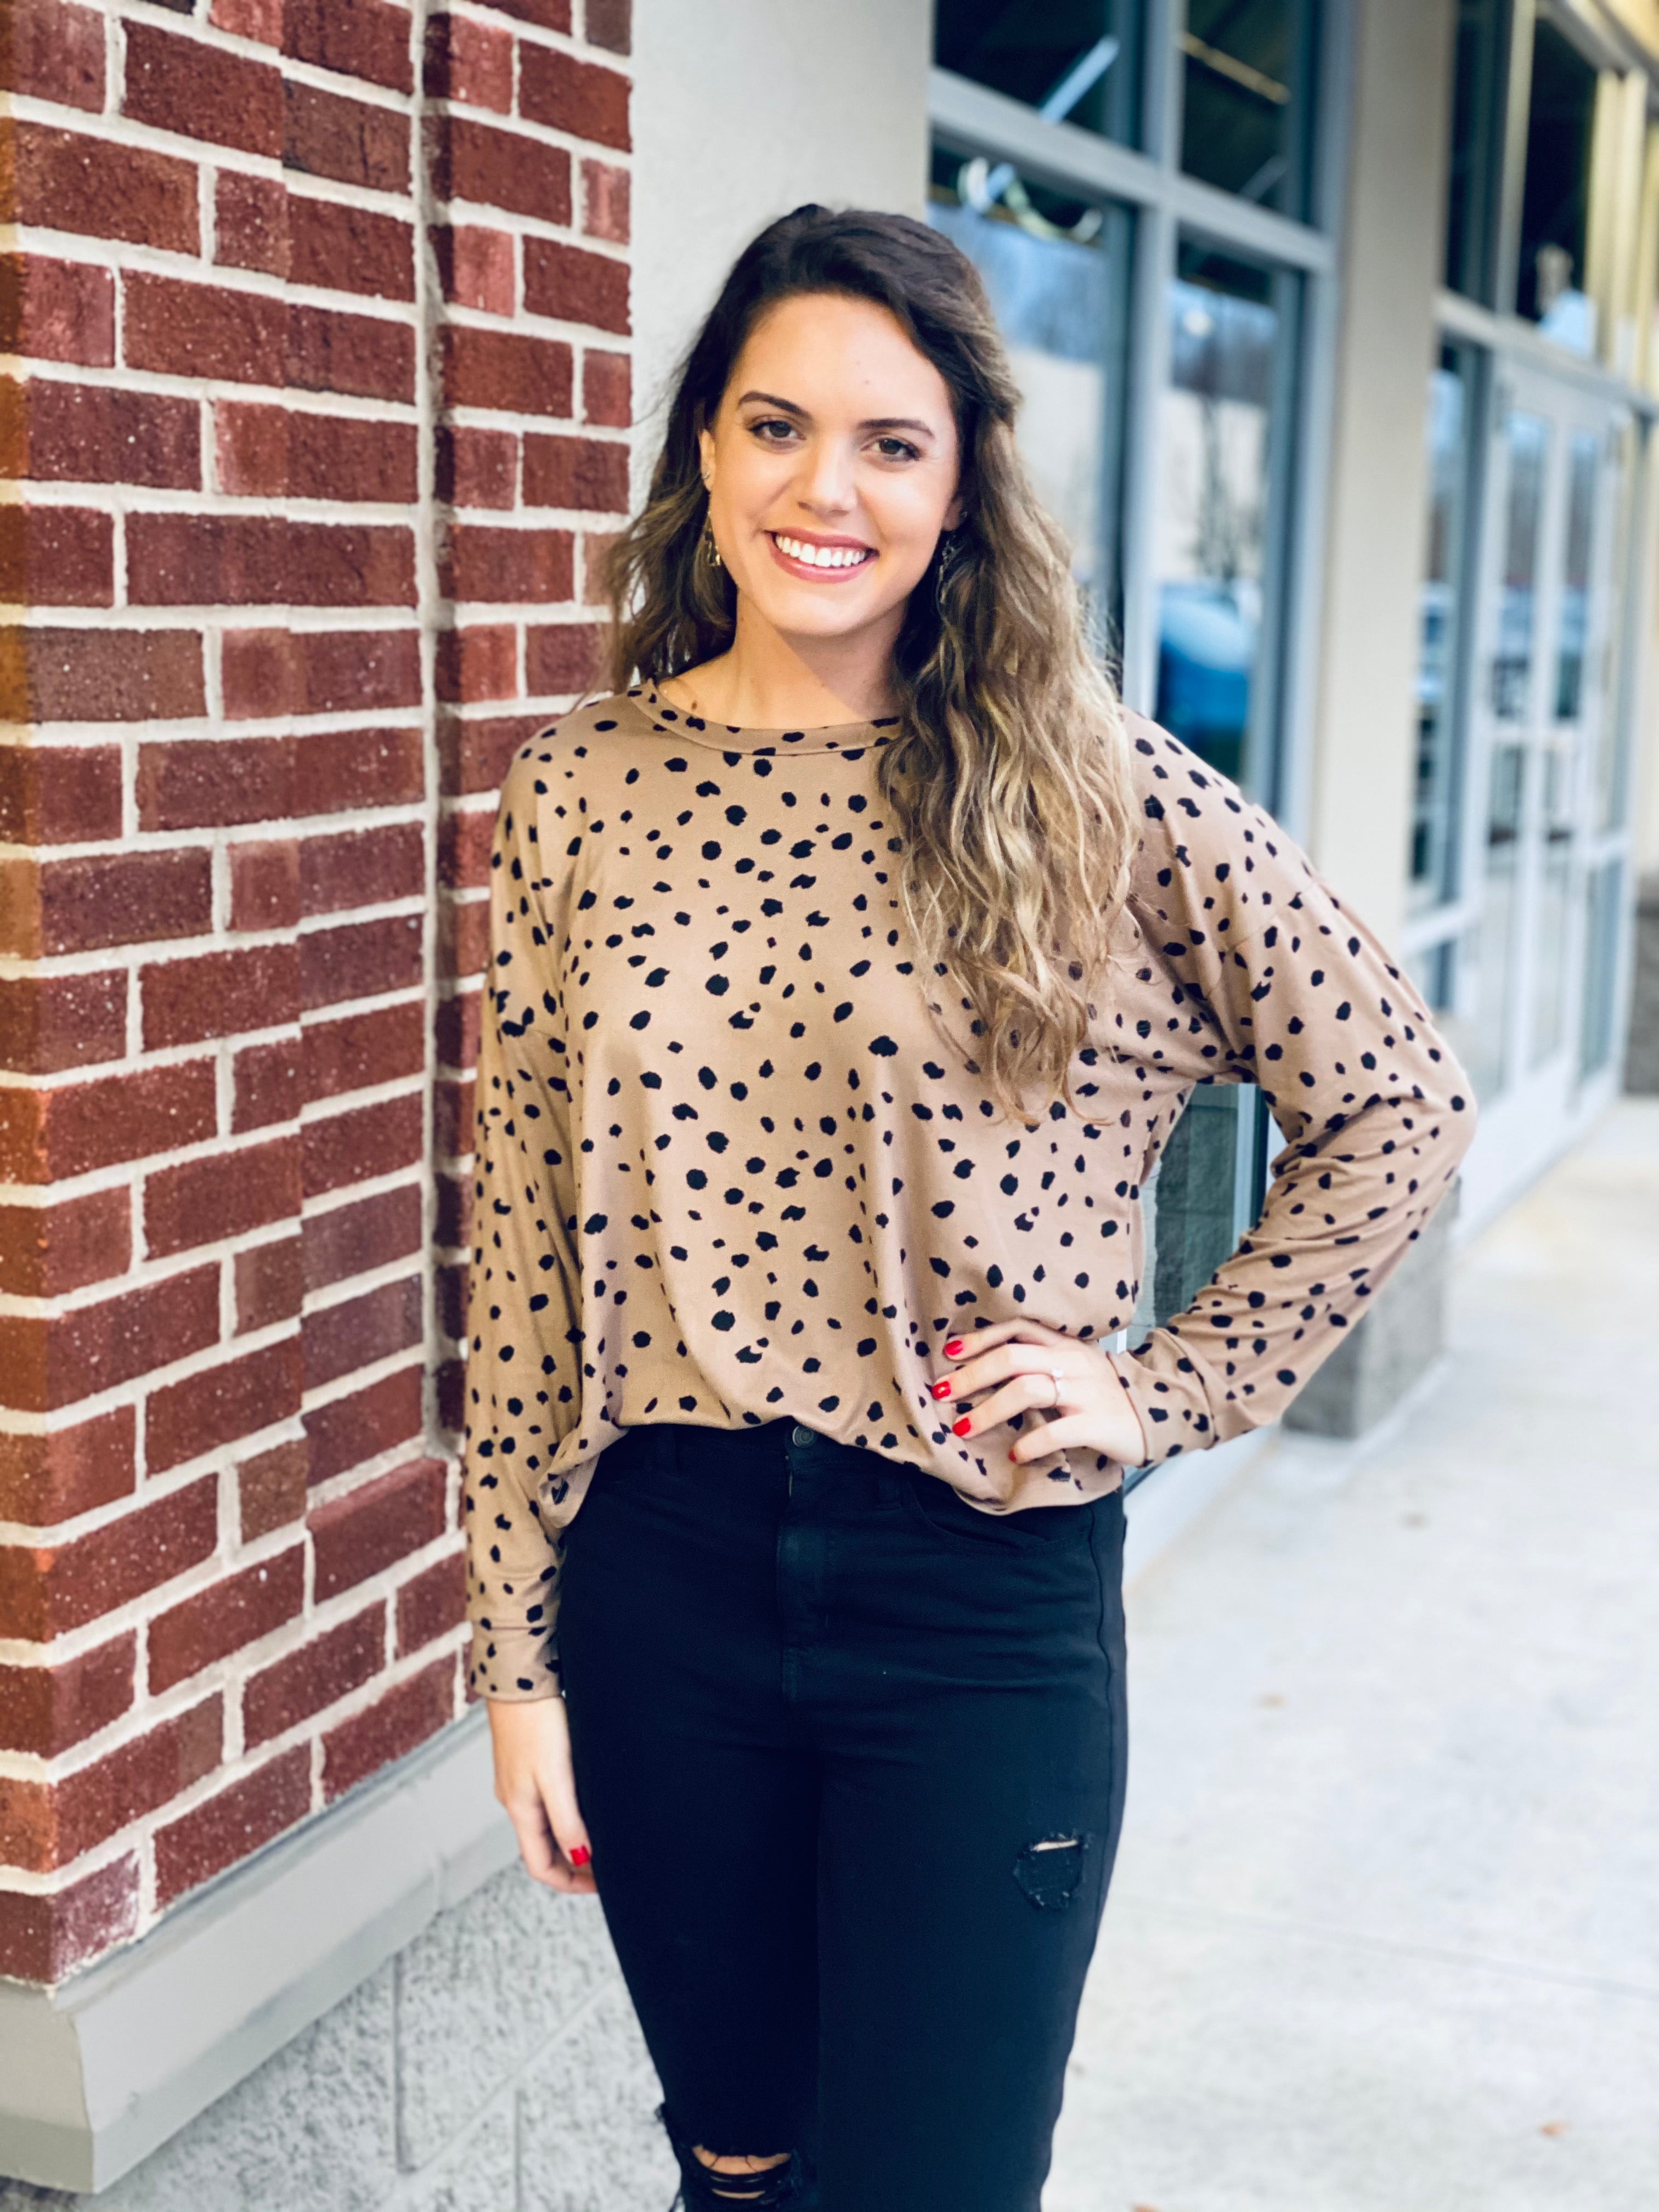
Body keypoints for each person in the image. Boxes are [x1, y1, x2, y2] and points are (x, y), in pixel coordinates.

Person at [464, 205, 1476, 2212]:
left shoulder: (1091, 790)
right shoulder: (579, 789)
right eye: (775, 426)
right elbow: (517, 1245)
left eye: (889, 443)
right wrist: (516, 1654)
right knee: (739, 2166)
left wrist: (1169, 1386)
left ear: (959, 488)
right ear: (705, 451)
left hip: (972, 1593)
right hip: (664, 1575)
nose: (822, 489)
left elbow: (1396, 1102)